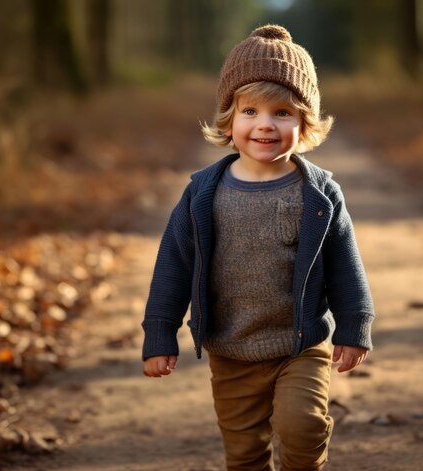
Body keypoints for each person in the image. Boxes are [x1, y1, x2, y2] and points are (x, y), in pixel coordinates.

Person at [142, 24, 375, 470]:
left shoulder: (318, 194)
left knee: (302, 426)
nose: (265, 124)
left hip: (301, 344)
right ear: (228, 120)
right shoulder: (202, 194)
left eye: (283, 112)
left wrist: (355, 322)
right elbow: (173, 264)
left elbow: (345, 262)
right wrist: (159, 332)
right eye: (250, 110)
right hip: (231, 349)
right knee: (245, 451)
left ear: (305, 122)